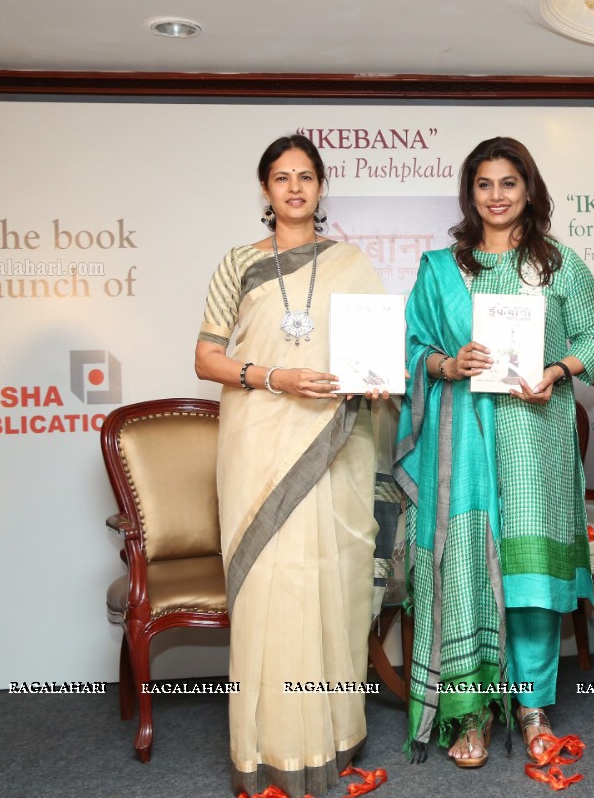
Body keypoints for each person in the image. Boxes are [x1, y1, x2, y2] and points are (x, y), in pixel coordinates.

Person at [395, 137, 594, 767]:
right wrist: (446, 362)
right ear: (471, 194)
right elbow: (409, 351)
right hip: (461, 446)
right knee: (468, 572)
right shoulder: (442, 268)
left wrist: (558, 369)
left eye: (508, 183)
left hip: (533, 440)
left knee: (531, 578)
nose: (496, 196)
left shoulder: (560, 263)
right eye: (484, 184)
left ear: (528, 188)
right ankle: (471, 713)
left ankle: (532, 705)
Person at [194, 134, 397, 795]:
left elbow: (374, 359)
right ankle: (270, 744)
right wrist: (276, 376)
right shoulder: (236, 264)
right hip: (261, 438)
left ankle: (331, 732)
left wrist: (374, 381)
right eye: (281, 177)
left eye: (305, 176)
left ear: (319, 186)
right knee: (273, 584)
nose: (294, 187)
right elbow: (207, 358)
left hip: (335, 443)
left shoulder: (349, 263)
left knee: (330, 580)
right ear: (264, 189)